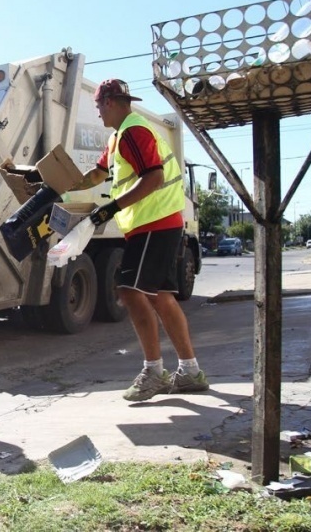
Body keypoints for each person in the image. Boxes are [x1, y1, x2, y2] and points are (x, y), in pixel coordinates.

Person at [75, 79, 208, 402]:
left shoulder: (135, 131)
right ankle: (189, 371)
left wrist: (111, 209)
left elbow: (154, 177)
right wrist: (59, 183)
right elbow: (98, 173)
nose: (98, 113)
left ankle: (154, 372)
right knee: (160, 296)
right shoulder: (120, 136)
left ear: (109, 102)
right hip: (156, 223)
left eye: (98, 106)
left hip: (154, 223)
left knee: (130, 291)